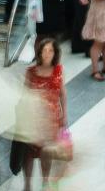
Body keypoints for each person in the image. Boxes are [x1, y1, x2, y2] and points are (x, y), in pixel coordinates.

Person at [23, 39, 67, 191]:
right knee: (28, 153)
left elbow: (62, 94)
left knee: (46, 152)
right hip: (33, 118)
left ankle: (45, 182)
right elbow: (24, 96)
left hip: (51, 119)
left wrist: (64, 114)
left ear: (55, 53)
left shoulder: (58, 70)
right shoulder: (31, 72)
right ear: (39, 52)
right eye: (44, 50)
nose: (47, 54)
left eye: (51, 50)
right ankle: (27, 184)